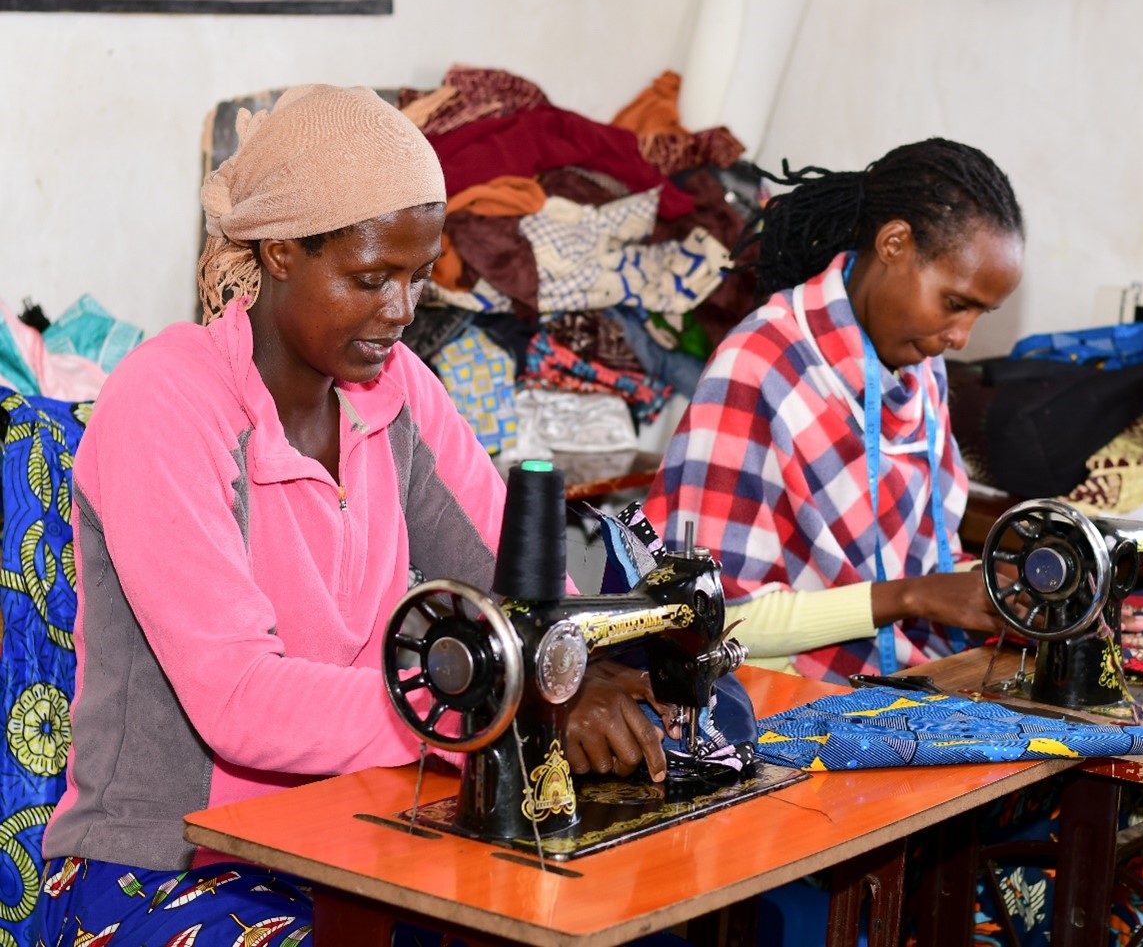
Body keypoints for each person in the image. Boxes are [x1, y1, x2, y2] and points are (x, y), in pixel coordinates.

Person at [36, 84, 672, 947]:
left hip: (357, 840)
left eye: (418, 277)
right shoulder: (168, 399)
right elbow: (238, 699)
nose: (402, 312)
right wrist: (495, 712)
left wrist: (584, 665)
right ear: (283, 251)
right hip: (164, 870)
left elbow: (523, 588)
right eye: (372, 277)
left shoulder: (396, 392)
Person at [642, 138, 1025, 684]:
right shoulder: (760, 364)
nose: (962, 337)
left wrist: (996, 589)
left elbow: (909, 565)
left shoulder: (919, 370)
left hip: (887, 678)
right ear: (894, 244)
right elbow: (706, 618)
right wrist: (911, 597)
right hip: (761, 697)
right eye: (955, 303)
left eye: (980, 313)